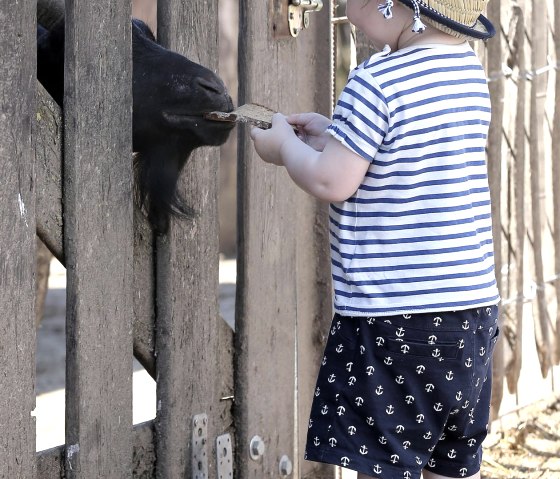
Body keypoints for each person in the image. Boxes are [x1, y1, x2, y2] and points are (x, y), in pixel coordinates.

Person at [250, 0, 500, 477]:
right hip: (470, 316)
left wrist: (282, 146)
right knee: (447, 465)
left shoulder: (376, 81)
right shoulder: (468, 73)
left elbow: (332, 182)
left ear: (391, 6)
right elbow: (404, 151)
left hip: (395, 324)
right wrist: (337, 135)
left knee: (383, 463)